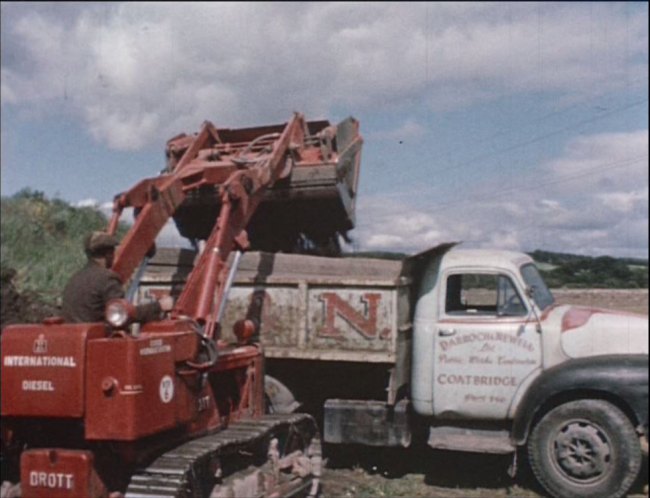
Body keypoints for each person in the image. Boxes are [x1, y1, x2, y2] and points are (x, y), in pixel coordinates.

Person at [62, 231, 173, 324]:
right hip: (100, 343)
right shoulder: (107, 278)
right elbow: (122, 315)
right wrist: (159, 306)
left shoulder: (74, 279)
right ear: (108, 254)